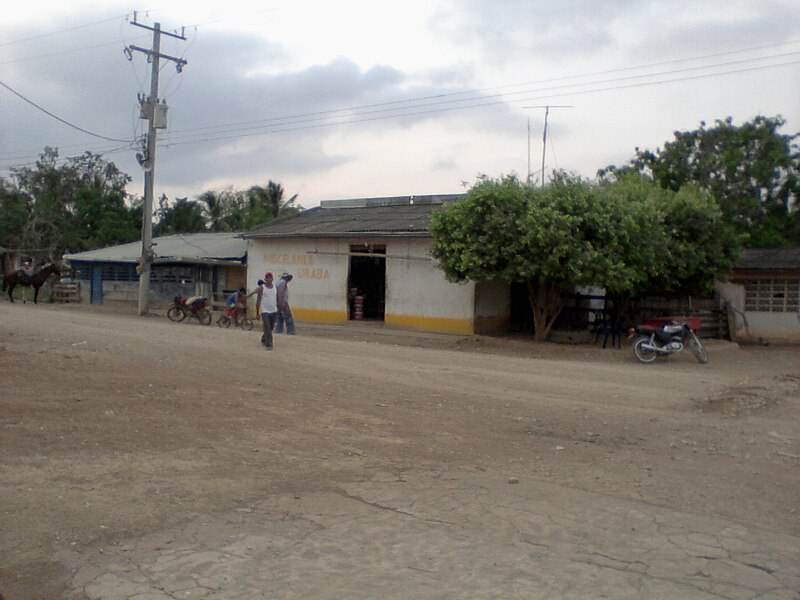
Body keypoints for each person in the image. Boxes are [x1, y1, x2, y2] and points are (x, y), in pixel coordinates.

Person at [256, 273, 278, 350]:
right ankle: (269, 344)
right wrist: (257, 312)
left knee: (271, 327)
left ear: (272, 279)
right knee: (267, 327)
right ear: (265, 279)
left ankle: (264, 338)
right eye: (267, 278)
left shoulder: (275, 287)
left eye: (270, 277)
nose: (269, 279)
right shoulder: (262, 288)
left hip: (274, 310)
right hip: (265, 311)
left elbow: (277, 298)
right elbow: (258, 300)